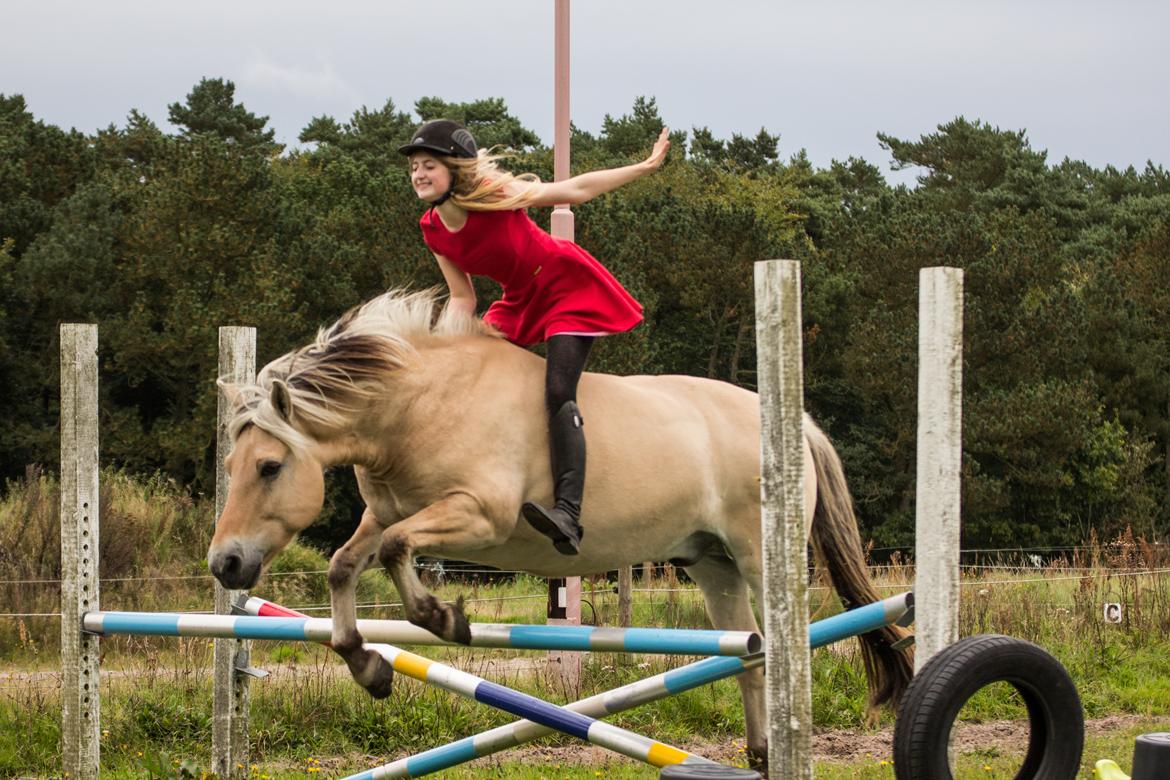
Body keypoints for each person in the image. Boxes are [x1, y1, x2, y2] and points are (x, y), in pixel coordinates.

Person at [398, 119, 670, 555]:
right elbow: (462, 298)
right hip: (519, 299)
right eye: (413, 168)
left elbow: (575, 191)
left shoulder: (495, 194)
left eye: (428, 165)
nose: (418, 175)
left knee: (558, 390)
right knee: (469, 380)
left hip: (564, 286)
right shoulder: (431, 228)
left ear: (454, 169)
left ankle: (568, 512)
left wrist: (643, 167)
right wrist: (440, 351)